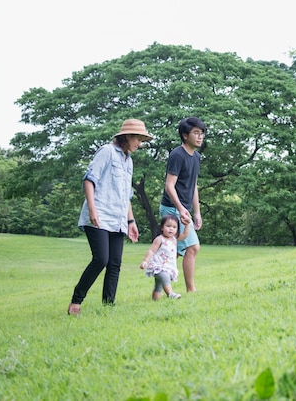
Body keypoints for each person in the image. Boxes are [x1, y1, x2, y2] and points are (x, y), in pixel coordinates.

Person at [67, 119, 153, 316]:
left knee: (115, 263)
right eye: (138, 139)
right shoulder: (106, 151)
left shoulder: (128, 160)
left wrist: (131, 221)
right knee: (101, 259)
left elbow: (126, 195)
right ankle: (76, 302)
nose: (139, 144)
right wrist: (92, 209)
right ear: (127, 137)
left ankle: (108, 306)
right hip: (99, 214)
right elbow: (89, 180)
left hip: (118, 218)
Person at [160, 116, 206, 292]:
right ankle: (190, 290)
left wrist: (197, 212)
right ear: (185, 135)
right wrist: (180, 209)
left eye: (202, 133)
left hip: (183, 210)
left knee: (176, 251)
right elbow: (169, 185)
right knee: (192, 247)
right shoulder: (177, 155)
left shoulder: (196, 157)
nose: (200, 136)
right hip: (171, 209)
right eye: (196, 133)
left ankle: (160, 283)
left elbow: (193, 185)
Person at [139, 214, 191, 300]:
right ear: (162, 228)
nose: (171, 229)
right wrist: (145, 261)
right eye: (168, 226)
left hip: (168, 266)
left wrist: (188, 224)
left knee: (158, 286)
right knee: (165, 277)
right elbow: (151, 250)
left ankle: (155, 301)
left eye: (174, 227)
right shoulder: (160, 239)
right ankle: (170, 294)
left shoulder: (174, 239)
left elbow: (185, 234)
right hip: (158, 265)